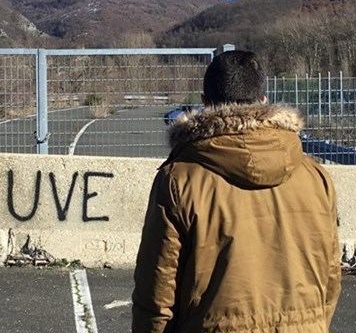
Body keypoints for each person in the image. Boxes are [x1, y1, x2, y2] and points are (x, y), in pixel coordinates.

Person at [132, 50, 341, 332]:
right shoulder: (315, 177)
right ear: (263, 101)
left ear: (206, 104)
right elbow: (330, 277)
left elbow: (158, 293)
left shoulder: (179, 179)